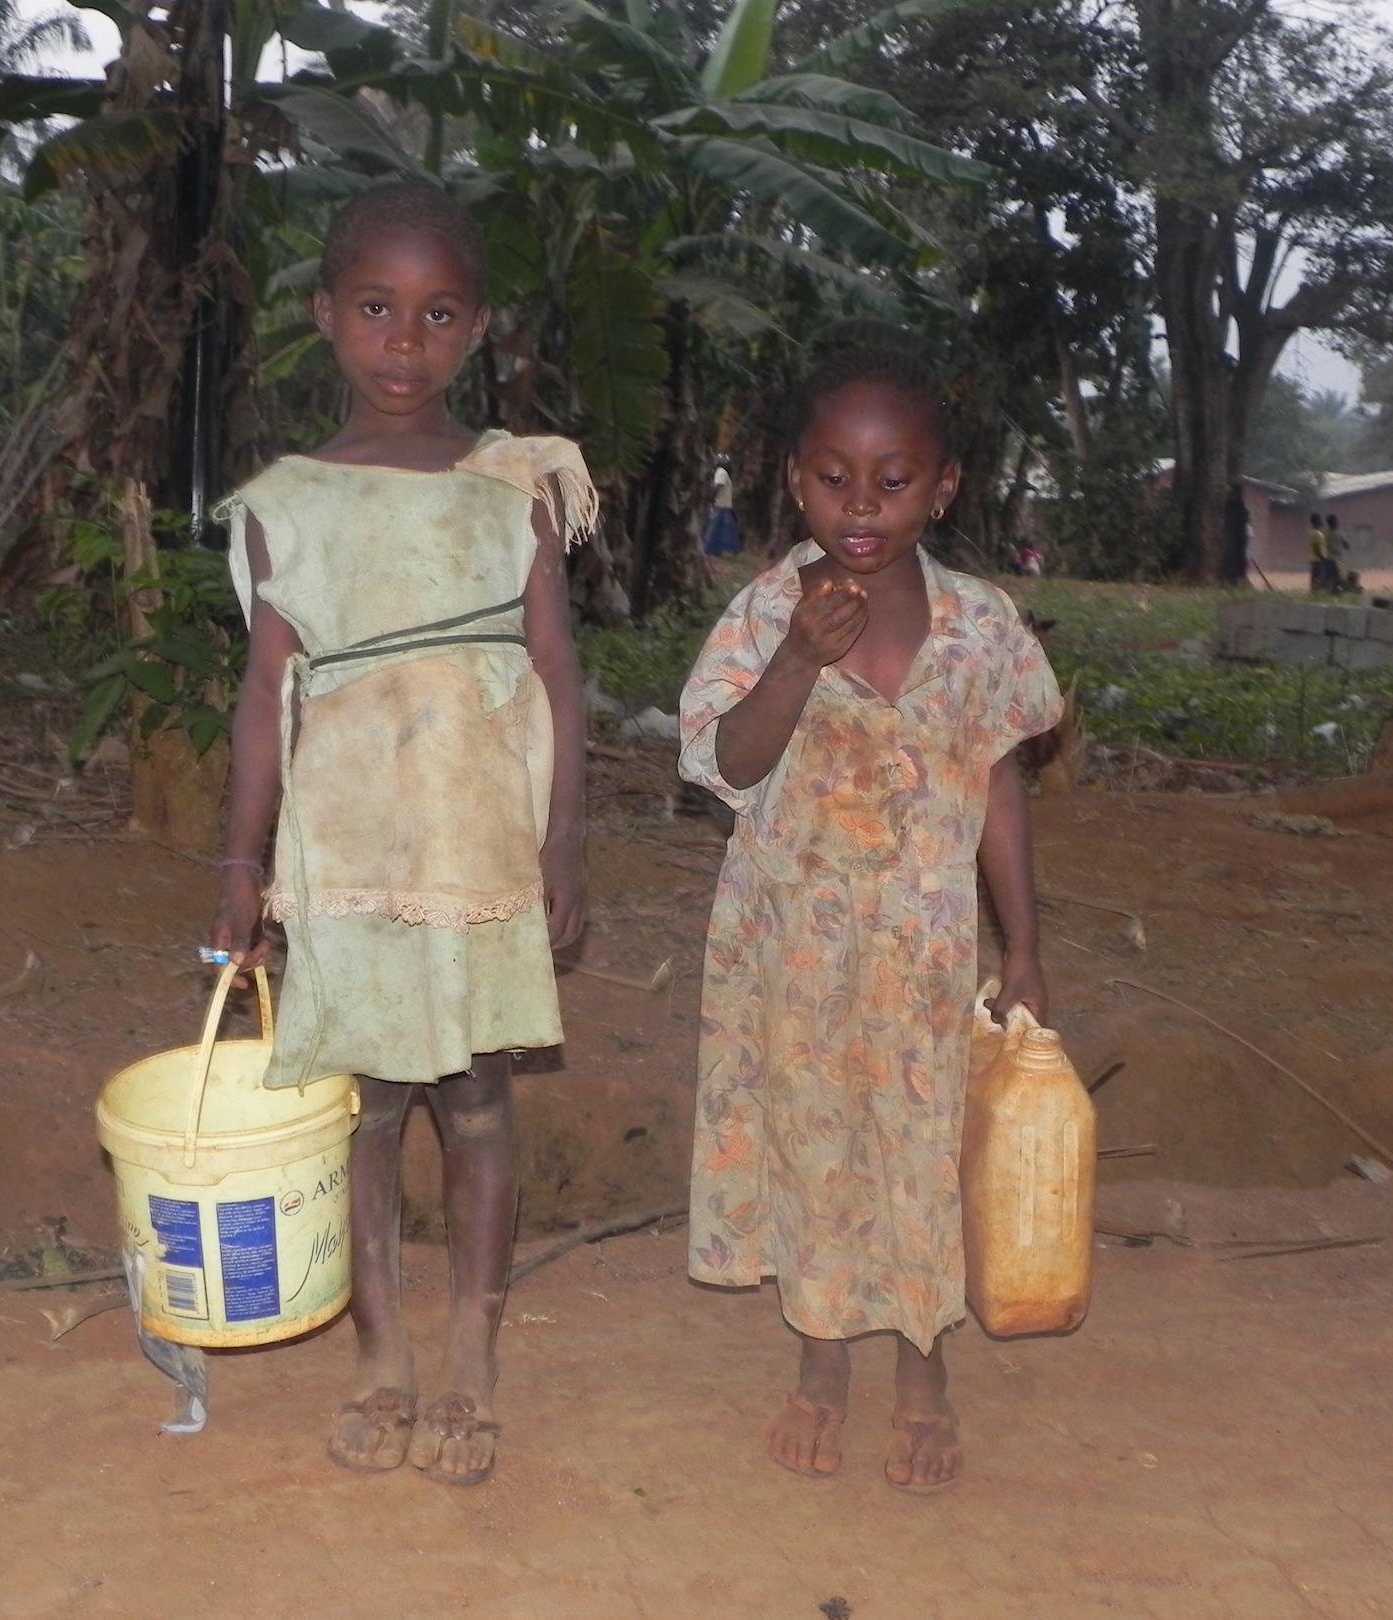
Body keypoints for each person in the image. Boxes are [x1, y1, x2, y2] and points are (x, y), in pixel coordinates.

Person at [206, 181, 592, 1487]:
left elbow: (554, 673)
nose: (403, 341)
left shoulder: (516, 486)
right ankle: (383, 1352)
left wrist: (562, 849)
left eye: (436, 315)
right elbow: (266, 693)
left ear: (477, 329)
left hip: (480, 849)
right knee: (366, 1111)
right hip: (350, 857)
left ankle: (472, 1356)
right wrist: (238, 864)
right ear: (327, 317)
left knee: (476, 1105)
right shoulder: (285, 504)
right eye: (376, 309)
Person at [677, 347, 1060, 1495]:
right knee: (814, 1149)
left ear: (942, 487)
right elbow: (726, 763)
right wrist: (798, 659)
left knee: (923, 1154)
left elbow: (997, 785)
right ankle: (820, 1362)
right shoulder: (761, 617)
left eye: (893, 482)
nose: (861, 507)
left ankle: (925, 1373)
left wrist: (1026, 944)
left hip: (927, 953)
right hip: (791, 949)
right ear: (796, 481)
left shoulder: (981, 630)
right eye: (835, 479)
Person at [702, 455, 743, 556]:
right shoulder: (722, 472)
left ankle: (718, 550)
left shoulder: (722, 473)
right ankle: (711, 550)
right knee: (716, 529)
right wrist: (711, 499)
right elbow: (718, 486)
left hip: (724, 506)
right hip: (720, 505)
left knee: (722, 529)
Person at [1305, 512, 1328, 593]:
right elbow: (1316, 548)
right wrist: (1323, 558)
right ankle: (1317, 591)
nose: (1322, 522)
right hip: (1318, 559)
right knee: (1320, 577)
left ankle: (1313, 591)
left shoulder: (1310, 533)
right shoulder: (1318, 534)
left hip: (1313, 559)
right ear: (1317, 522)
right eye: (1320, 520)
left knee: (1314, 576)